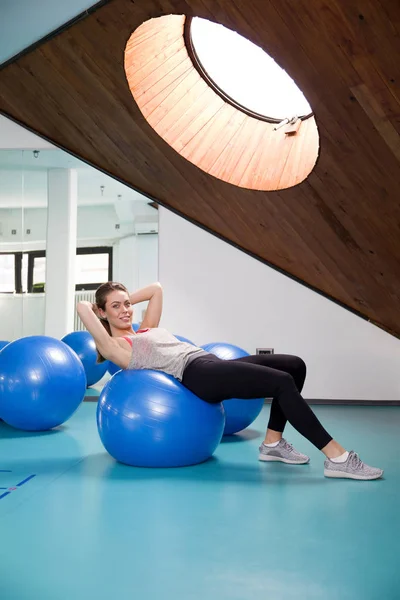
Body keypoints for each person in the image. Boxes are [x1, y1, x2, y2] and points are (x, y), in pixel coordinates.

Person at [77, 281, 383, 481]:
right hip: (197, 375)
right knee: (281, 383)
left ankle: (272, 444)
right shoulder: (116, 348)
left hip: (210, 362)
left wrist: (122, 297)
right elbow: (82, 309)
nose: (126, 310)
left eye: (127, 303)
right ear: (102, 312)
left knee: (294, 366)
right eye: (115, 307)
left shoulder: (145, 329)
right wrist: (97, 308)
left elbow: (156, 289)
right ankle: (337, 458)